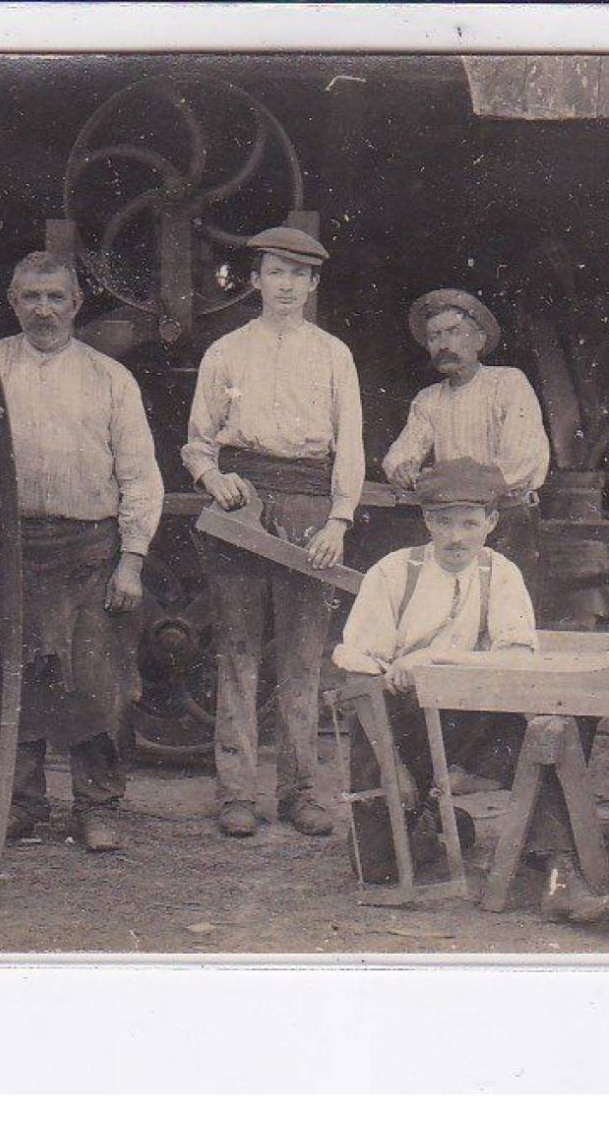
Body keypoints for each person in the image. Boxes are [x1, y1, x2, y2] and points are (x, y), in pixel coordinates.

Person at [0, 251, 163, 852]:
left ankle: (96, 806)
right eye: (31, 297)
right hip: (5, 542)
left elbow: (141, 475)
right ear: (13, 302)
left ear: (75, 304)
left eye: (55, 298)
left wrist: (133, 558)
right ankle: (21, 805)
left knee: (92, 679)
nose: (43, 310)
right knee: (5, 678)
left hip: (86, 546)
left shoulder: (109, 378)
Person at [333, 458, 609, 923]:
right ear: (427, 521)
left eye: (470, 523)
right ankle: (434, 823)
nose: (457, 536)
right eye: (445, 522)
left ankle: (557, 870)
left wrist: (438, 658)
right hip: (397, 721)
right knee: (377, 870)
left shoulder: (500, 574)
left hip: (473, 717)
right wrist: (392, 766)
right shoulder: (393, 572)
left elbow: (517, 657)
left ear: (491, 522)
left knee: (552, 728)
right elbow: (358, 667)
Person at [183, 226, 363, 838]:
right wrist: (213, 480)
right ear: (255, 280)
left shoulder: (333, 355)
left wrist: (338, 520)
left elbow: (352, 447)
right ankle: (236, 792)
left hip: (311, 505)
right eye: (275, 272)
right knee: (236, 651)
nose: (287, 285)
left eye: (300, 274)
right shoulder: (226, 352)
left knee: (303, 657)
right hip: (242, 504)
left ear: (314, 285)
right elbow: (198, 442)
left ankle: (302, 791)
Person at [381, 288, 550, 594]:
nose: (443, 344)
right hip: (452, 525)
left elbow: (520, 463)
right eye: (434, 337)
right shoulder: (428, 399)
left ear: (479, 340)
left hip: (506, 519)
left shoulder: (508, 383)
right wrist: (403, 468)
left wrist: (442, 479)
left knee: (504, 610)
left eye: (454, 332)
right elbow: (399, 456)